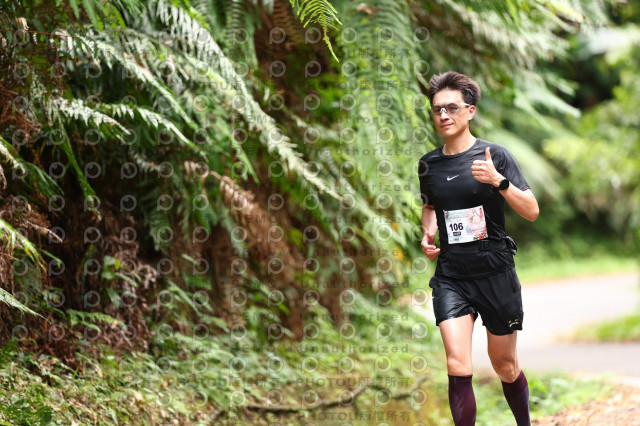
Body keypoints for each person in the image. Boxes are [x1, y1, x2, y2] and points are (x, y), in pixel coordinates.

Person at [418, 71, 539, 426]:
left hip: (495, 271)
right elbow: (430, 206)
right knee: (457, 363)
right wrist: (428, 232)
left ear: (470, 111)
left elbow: (531, 211)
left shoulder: (495, 156)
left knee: (505, 365)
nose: (444, 115)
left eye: (452, 108)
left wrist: (499, 182)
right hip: (452, 275)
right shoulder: (428, 165)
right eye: (437, 109)